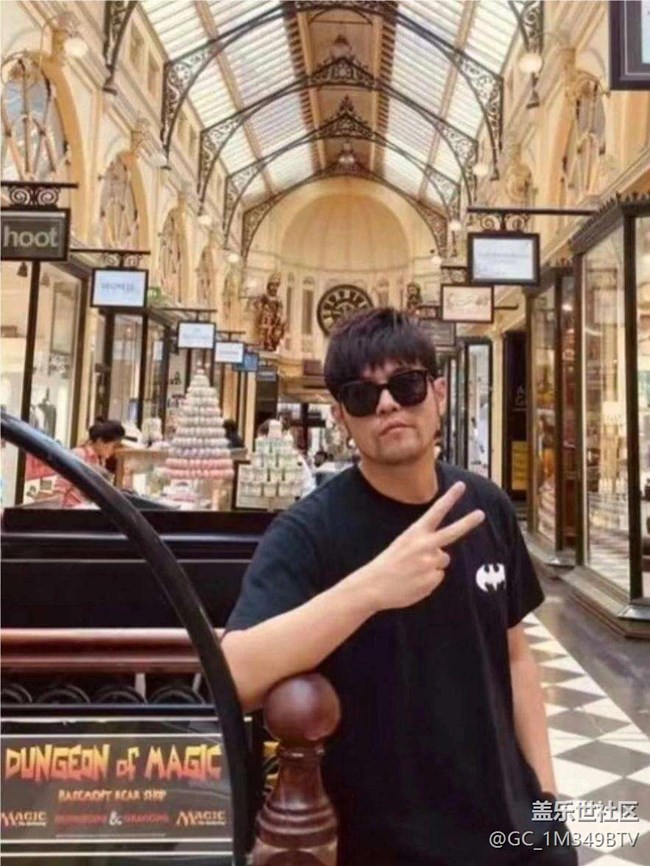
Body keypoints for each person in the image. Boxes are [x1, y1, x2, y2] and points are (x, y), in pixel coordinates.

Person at [223, 308, 575, 866]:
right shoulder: (308, 533)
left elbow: (515, 657)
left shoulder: (485, 507)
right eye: (363, 396)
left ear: (439, 394)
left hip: (509, 832)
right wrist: (373, 587)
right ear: (342, 417)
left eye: (406, 386)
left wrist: (547, 803)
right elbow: (234, 676)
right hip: (383, 845)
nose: (387, 405)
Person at [54, 420, 125, 508]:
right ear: (100, 441)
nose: (113, 450)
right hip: (72, 508)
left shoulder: (99, 460)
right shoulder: (79, 454)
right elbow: (61, 485)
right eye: (113, 446)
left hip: (87, 507)